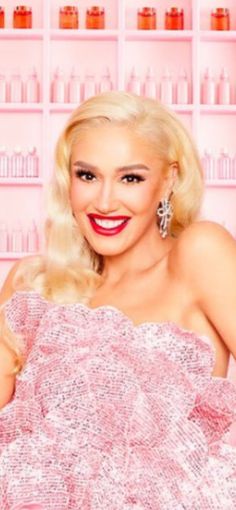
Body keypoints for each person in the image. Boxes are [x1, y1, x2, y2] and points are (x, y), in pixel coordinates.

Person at [0, 90, 236, 509]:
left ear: (169, 181)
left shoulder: (199, 254)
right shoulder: (33, 285)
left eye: (131, 178)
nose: (104, 201)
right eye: (87, 175)